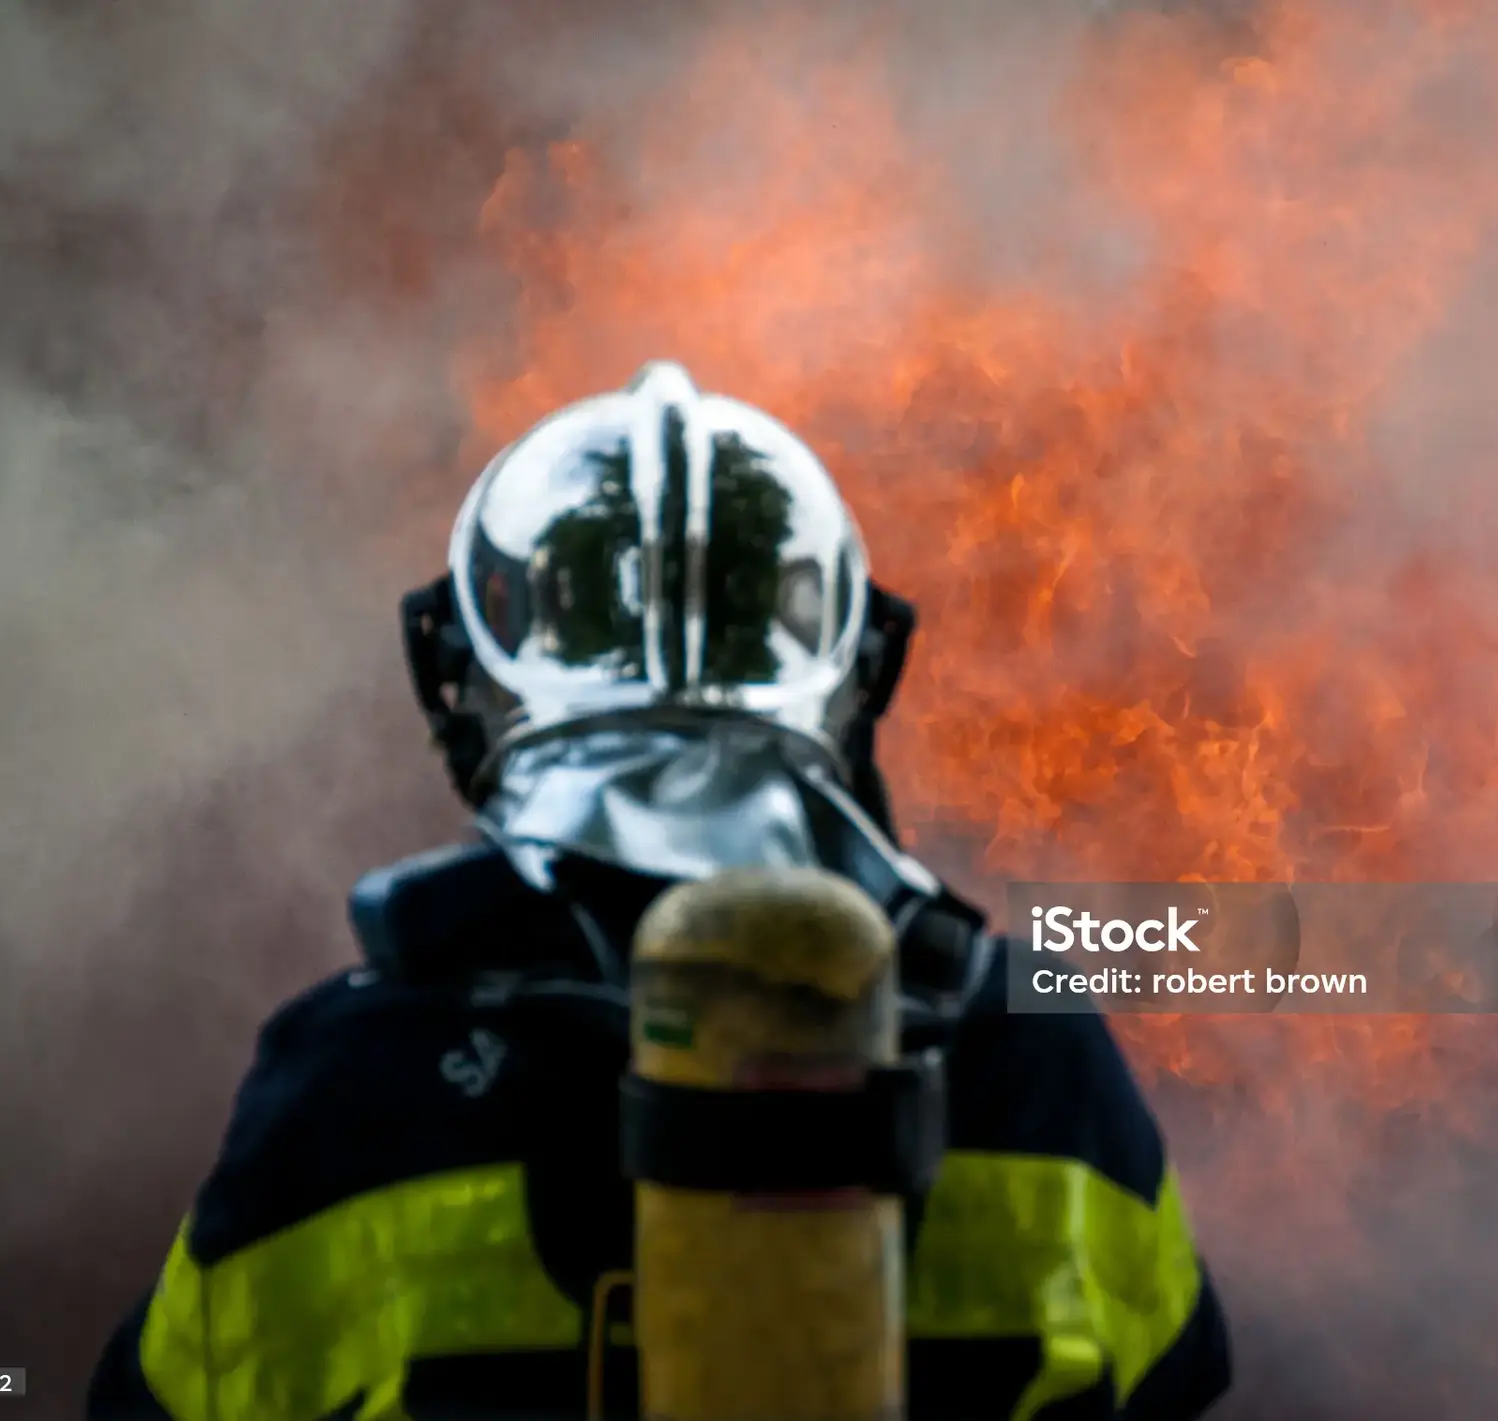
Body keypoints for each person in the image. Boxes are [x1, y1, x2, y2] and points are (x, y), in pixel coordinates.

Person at [87, 362, 1233, 1421]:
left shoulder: (349, 1072)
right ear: (851, 667)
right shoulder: (1030, 1046)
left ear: (466, 677)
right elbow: (1170, 1381)